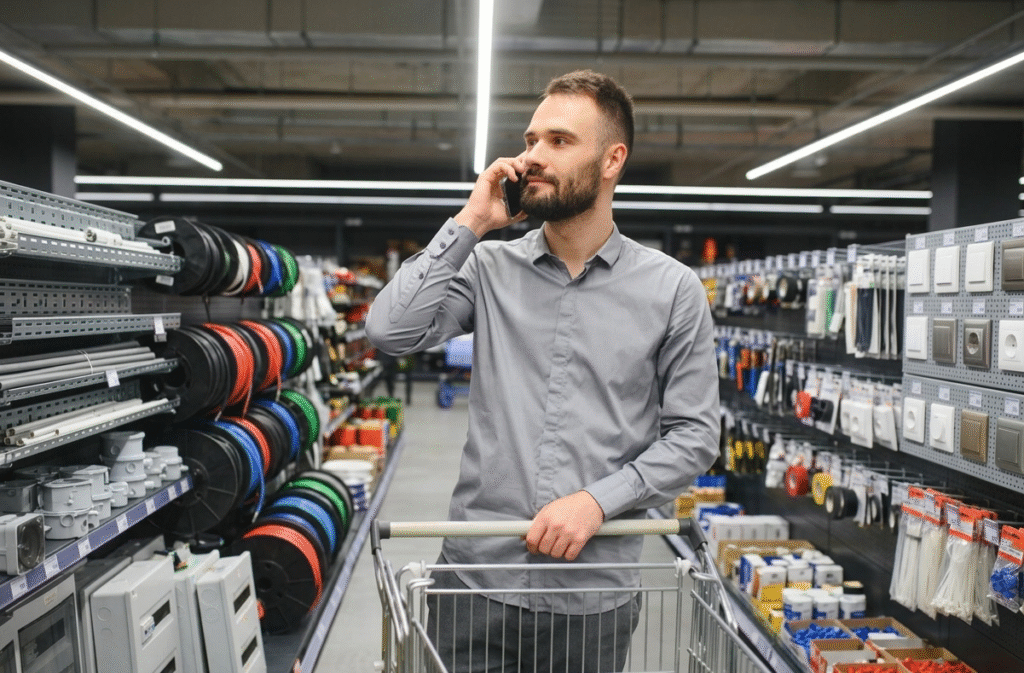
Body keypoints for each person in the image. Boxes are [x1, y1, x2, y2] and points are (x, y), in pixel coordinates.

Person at [366, 70, 719, 673]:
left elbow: (695, 437)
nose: (531, 156)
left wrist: (597, 502)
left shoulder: (673, 289)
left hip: (591, 594)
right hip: (472, 580)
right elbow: (390, 331)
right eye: (531, 140)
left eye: (558, 141)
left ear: (612, 159)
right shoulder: (488, 269)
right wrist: (470, 223)